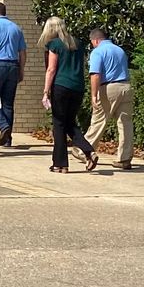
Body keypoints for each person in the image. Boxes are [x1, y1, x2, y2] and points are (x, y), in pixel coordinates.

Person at [37, 16, 97, 173]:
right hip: (77, 87)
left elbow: (51, 69)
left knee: (59, 124)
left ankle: (60, 163)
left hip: (61, 86)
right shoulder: (78, 43)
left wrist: (45, 91)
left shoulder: (55, 44)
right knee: (69, 123)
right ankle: (89, 151)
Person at [86, 25, 135, 167]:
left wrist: (94, 95)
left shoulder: (97, 52)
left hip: (109, 88)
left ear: (95, 40)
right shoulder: (120, 50)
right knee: (125, 123)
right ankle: (124, 158)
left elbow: (95, 74)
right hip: (125, 86)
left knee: (99, 120)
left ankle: (85, 150)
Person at [0, 3, 27, 148]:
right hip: (13, 65)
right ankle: (7, 139)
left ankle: (3, 126)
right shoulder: (16, 28)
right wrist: (21, 70)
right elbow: (22, 53)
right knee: (8, 103)